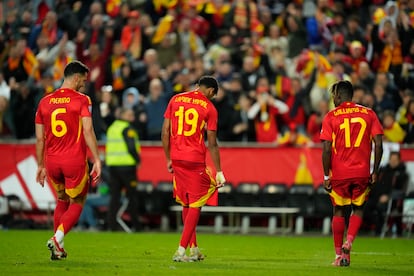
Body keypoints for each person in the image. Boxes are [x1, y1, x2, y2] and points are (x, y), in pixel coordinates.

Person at [35, 60, 102, 260]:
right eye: (83, 79)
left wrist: (40, 165)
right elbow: (88, 130)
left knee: (62, 199)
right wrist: (97, 159)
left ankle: (58, 248)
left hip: (52, 161)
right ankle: (57, 239)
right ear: (75, 77)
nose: (84, 83)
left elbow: (40, 138)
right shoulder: (82, 100)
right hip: (73, 160)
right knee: (78, 200)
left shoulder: (44, 102)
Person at [161, 76, 226, 262]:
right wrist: (219, 171)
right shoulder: (210, 108)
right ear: (212, 91)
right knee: (199, 200)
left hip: (176, 157)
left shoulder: (175, 99)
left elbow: (165, 131)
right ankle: (181, 251)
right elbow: (212, 143)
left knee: (186, 201)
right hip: (194, 159)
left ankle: (194, 249)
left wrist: (168, 158)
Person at [320, 80, 383, 267]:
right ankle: (349, 242)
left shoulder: (331, 116)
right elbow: (378, 144)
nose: (333, 99)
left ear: (339, 96)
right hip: (362, 172)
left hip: (339, 173)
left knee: (338, 210)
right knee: (358, 208)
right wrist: (375, 171)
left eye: (333, 95)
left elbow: (326, 148)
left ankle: (339, 256)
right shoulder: (369, 113)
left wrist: (325, 176)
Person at [105, 107, 141, 232]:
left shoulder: (112, 128)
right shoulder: (127, 128)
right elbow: (131, 147)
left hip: (113, 167)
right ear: (123, 115)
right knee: (132, 196)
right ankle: (136, 225)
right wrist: (138, 160)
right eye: (130, 114)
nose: (133, 117)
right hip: (127, 167)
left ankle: (111, 225)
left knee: (114, 197)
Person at [365, 151, 409, 237]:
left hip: (391, 201)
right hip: (375, 197)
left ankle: (379, 230)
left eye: (395, 160)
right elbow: (375, 183)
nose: (393, 161)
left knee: (380, 207)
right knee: (364, 208)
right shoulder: (382, 171)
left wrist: (388, 197)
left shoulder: (402, 174)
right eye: (391, 159)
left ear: (399, 160)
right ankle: (377, 226)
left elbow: (402, 190)